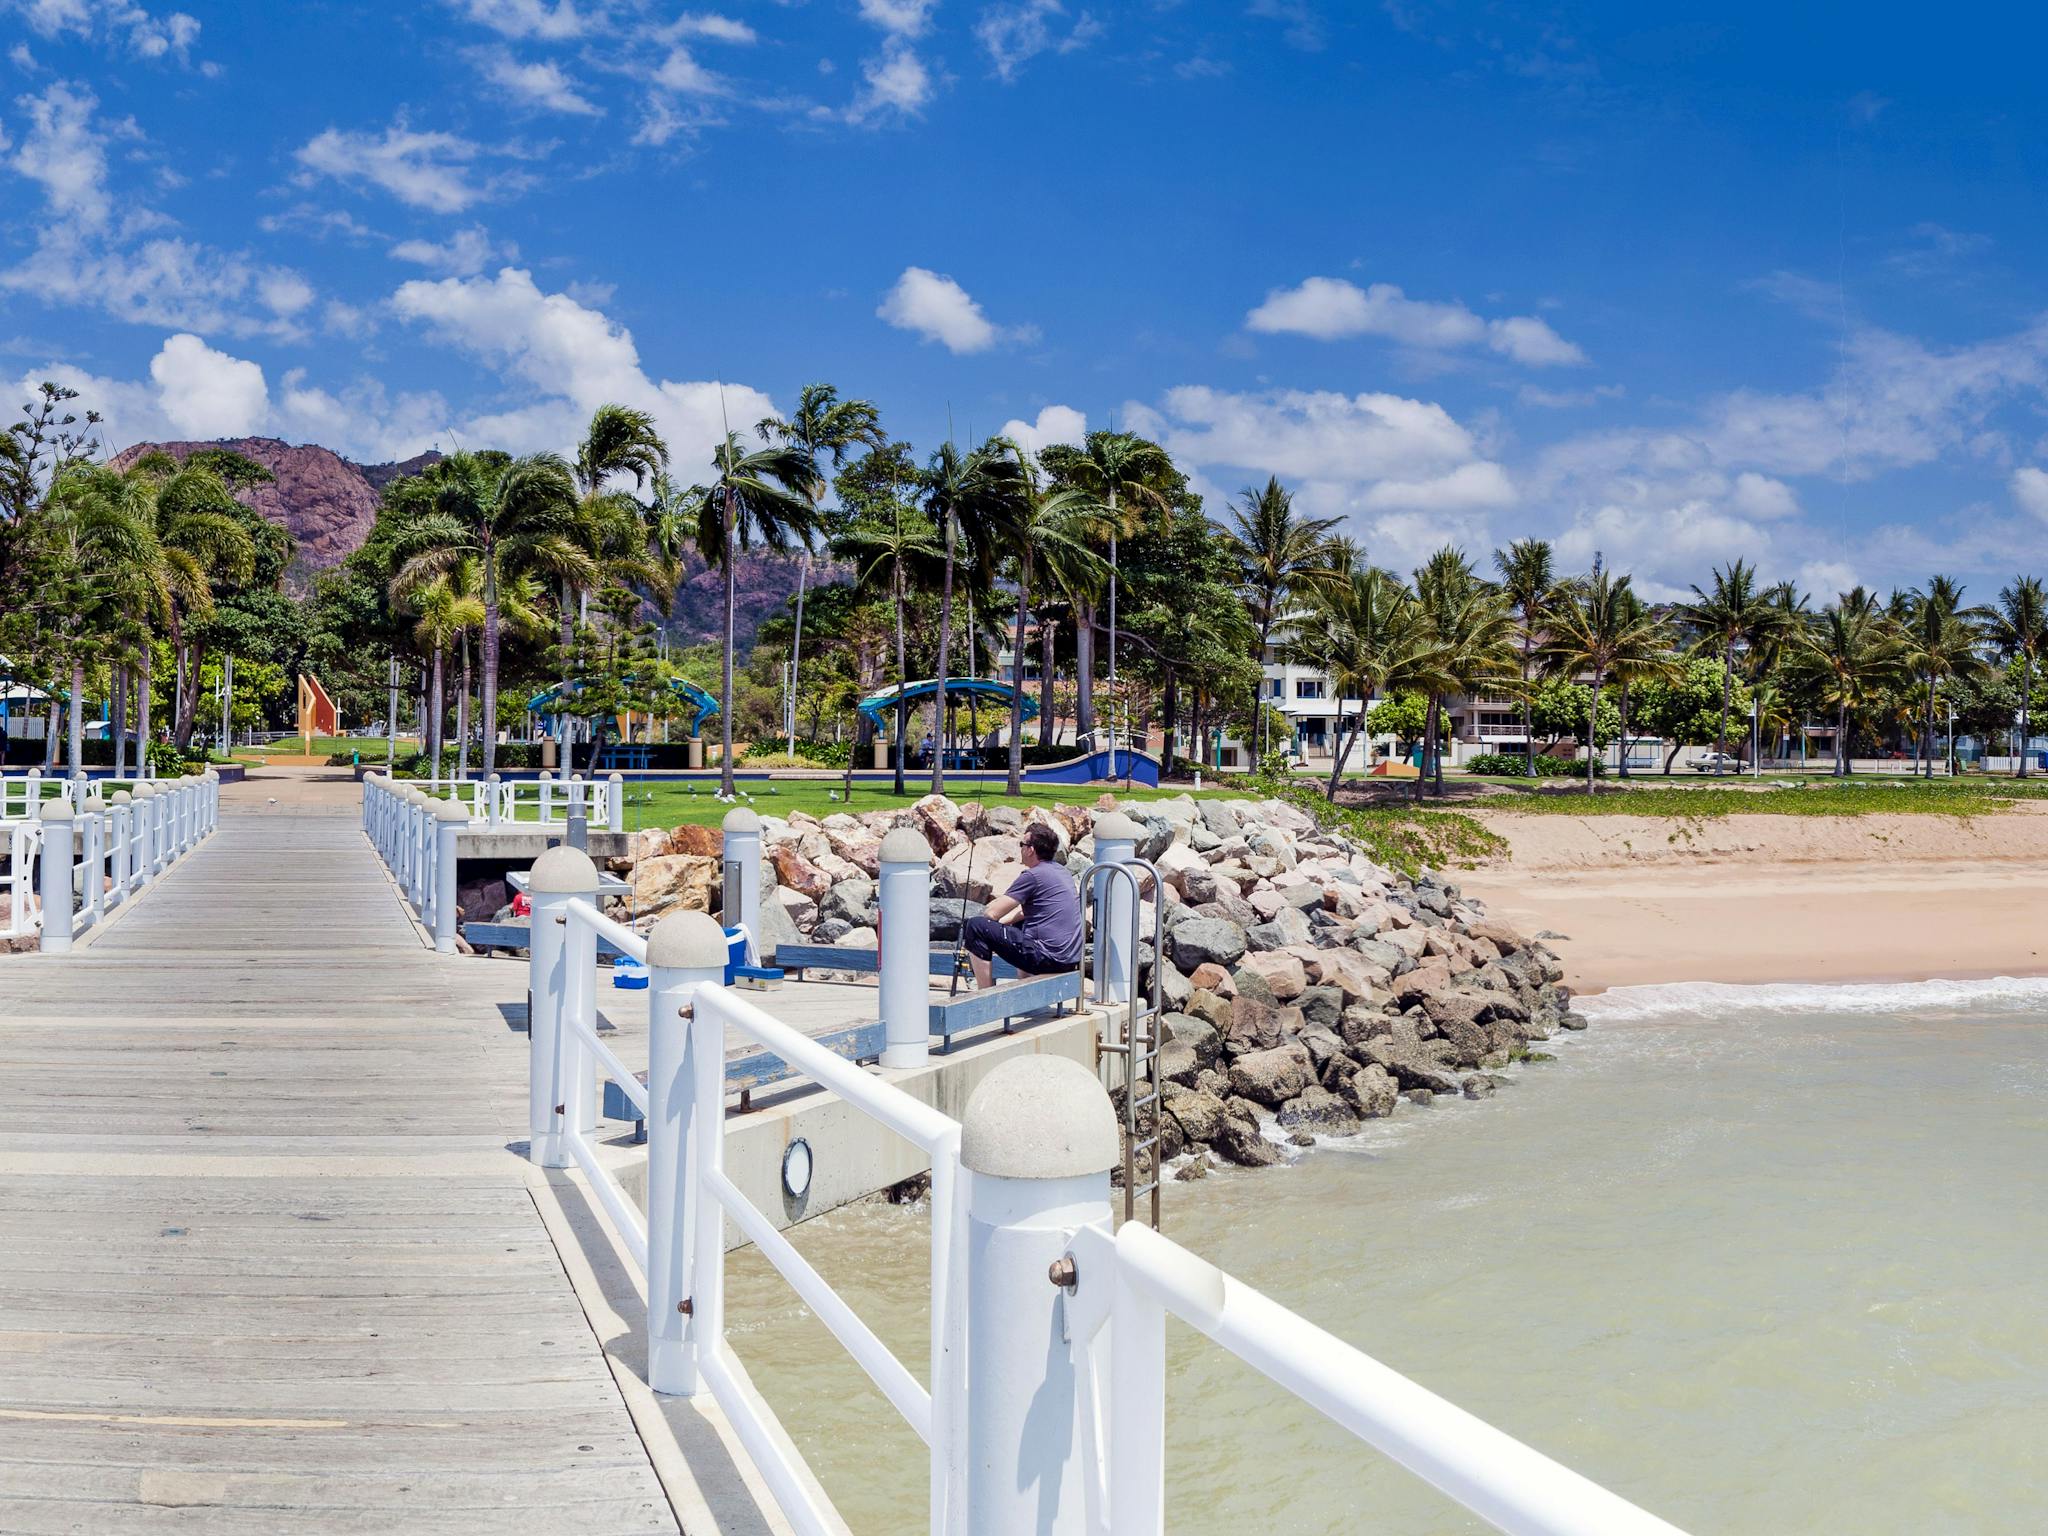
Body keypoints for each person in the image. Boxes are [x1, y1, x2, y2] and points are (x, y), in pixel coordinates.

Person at [962, 823, 1081, 987]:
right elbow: (1025, 913)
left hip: (1046, 958)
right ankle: (1024, 985)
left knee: (975, 927)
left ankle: (983, 997)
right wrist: (1000, 926)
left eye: (1021, 845)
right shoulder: (1061, 872)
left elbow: (991, 913)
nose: (1020, 849)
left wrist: (991, 926)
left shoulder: (1033, 875)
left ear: (1031, 850)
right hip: (1068, 959)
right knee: (1018, 924)